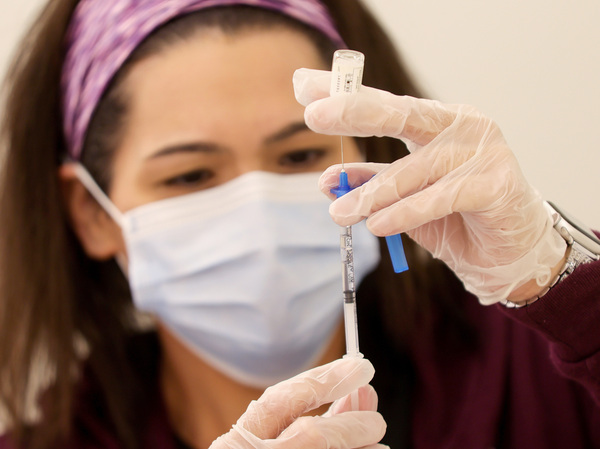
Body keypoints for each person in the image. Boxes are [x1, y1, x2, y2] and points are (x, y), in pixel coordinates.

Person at [0, 0, 598, 448]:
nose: (259, 212)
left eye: (299, 157)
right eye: (190, 176)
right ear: (90, 212)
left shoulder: (538, 376)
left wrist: (560, 281)